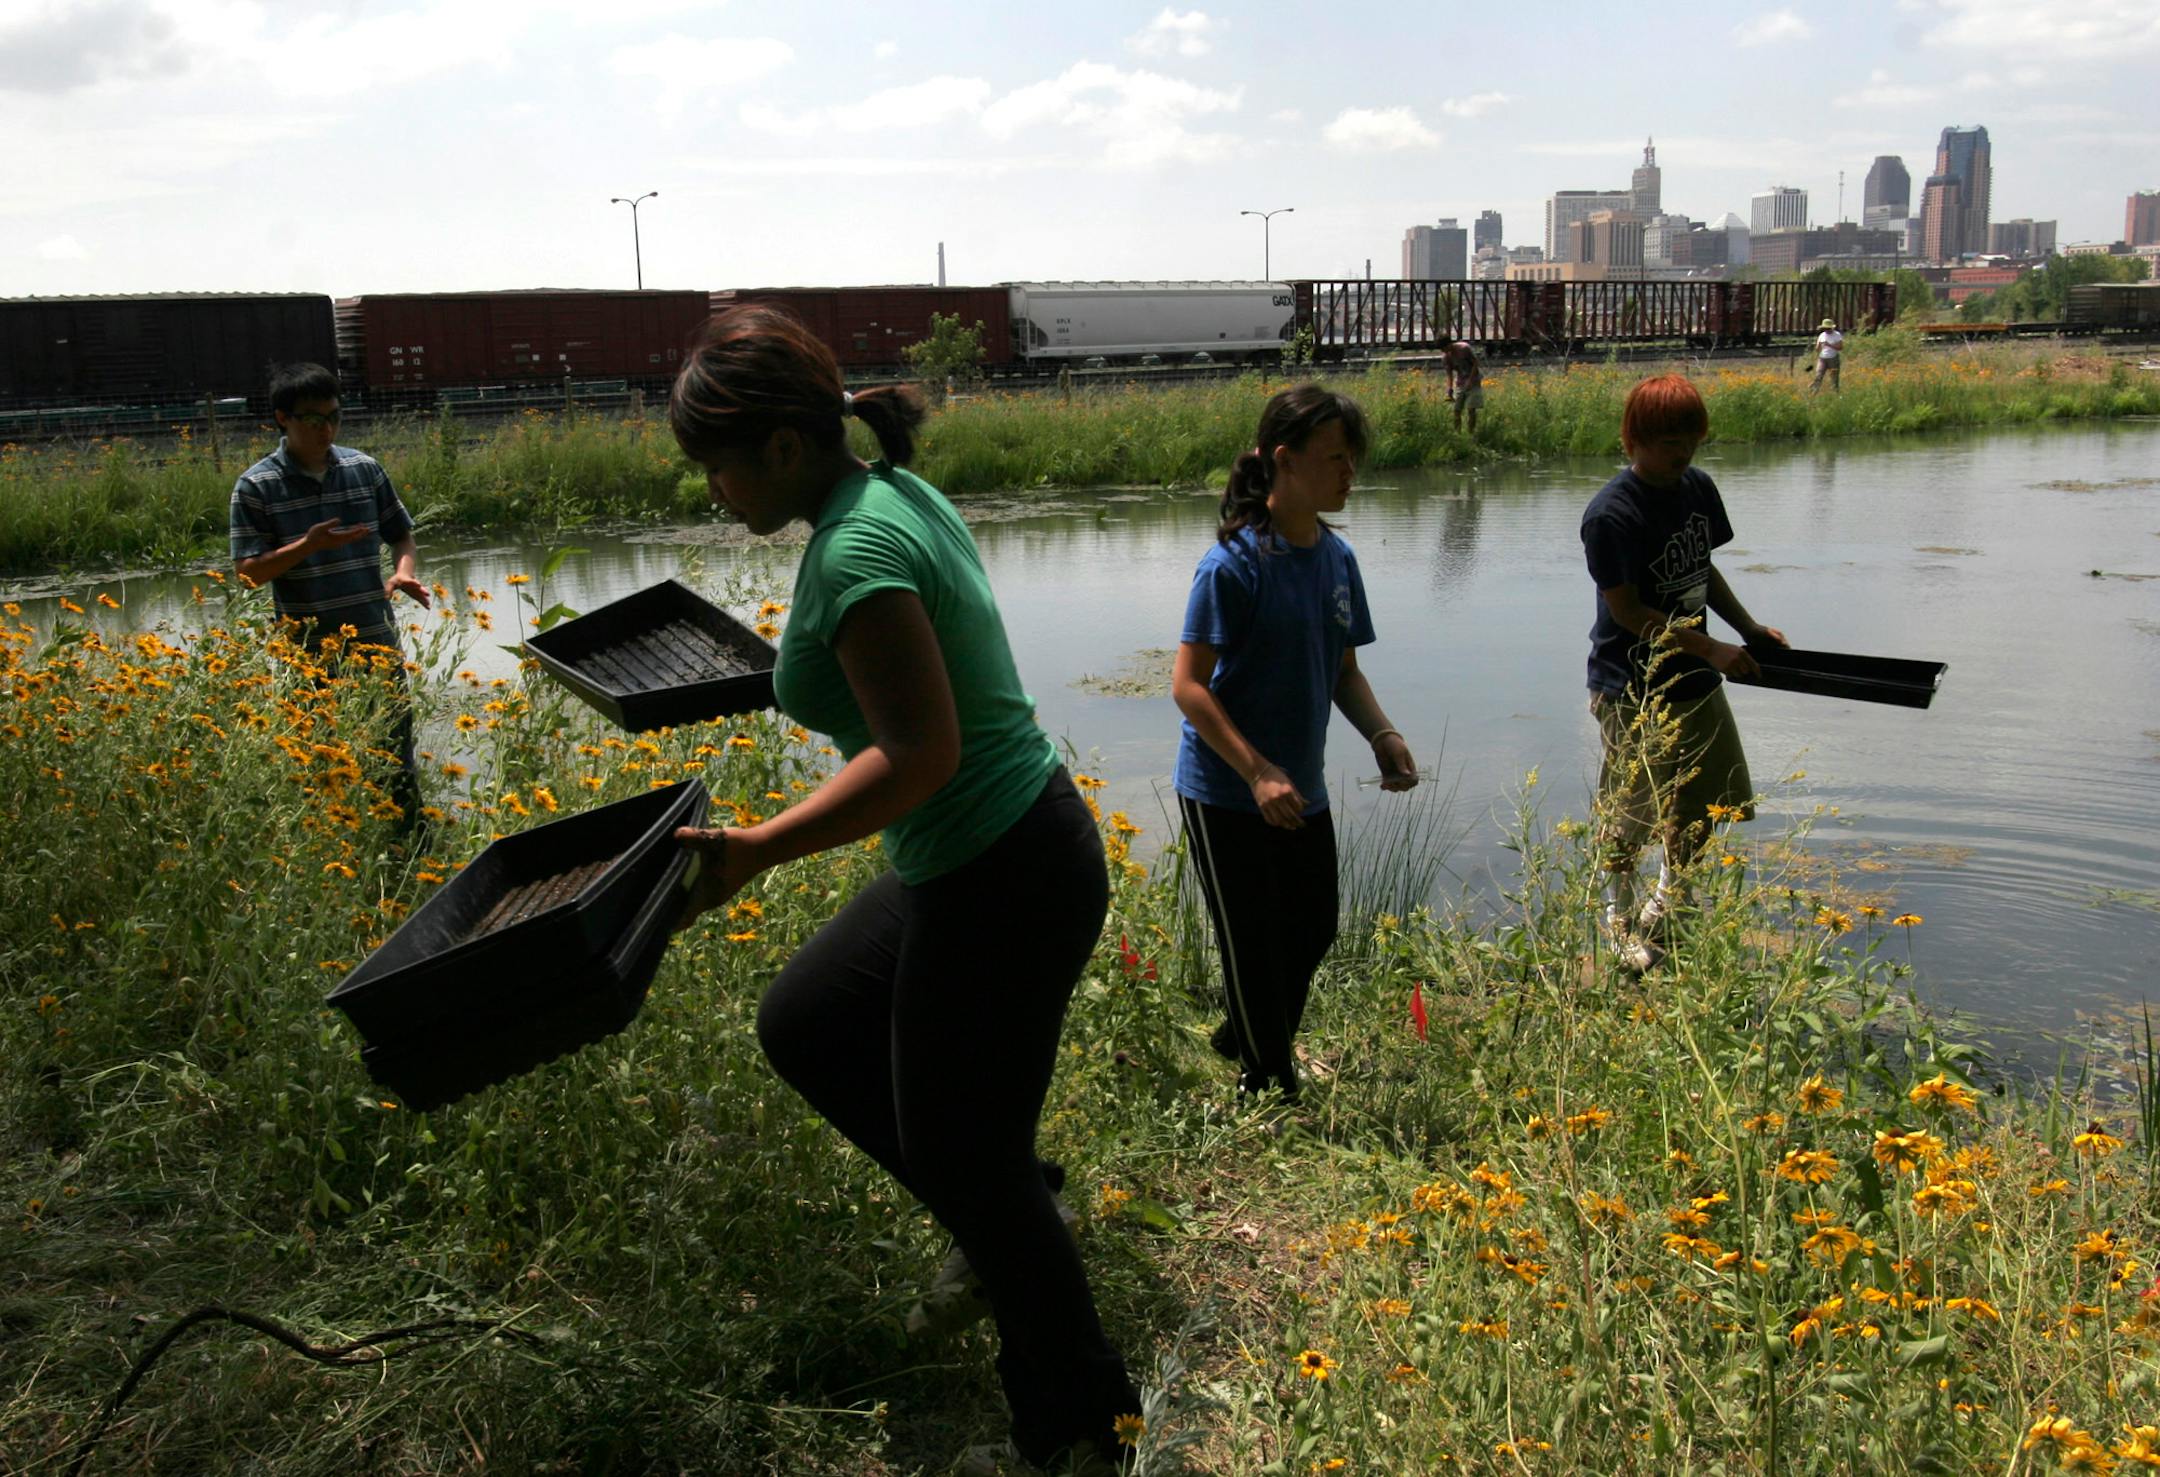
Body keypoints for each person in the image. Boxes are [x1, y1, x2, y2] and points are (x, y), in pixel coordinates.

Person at [665, 307, 1139, 1473]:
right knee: (811, 1022)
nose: (710, 488)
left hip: (1004, 868)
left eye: (716, 463)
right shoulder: (884, 493)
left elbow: (920, 753)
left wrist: (759, 848)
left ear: (781, 449)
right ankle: (1010, 1212)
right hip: (988, 851)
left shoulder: (857, 548)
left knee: (971, 1162)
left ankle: (1080, 1430)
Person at [1171, 385, 1418, 1103]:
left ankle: (1243, 1033)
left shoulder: (1337, 560)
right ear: (1285, 460)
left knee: (1313, 928)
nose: (1350, 474)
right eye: (1336, 458)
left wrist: (1382, 733)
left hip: (1297, 786)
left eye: (1352, 459)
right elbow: (1189, 685)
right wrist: (1255, 771)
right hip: (1227, 791)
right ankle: (1267, 1083)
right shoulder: (1234, 566)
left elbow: (1342, 668)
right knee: (1252, 944)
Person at [1581, 374, 1787, 972]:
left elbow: (1703, 569)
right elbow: (1627, 613)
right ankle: (1617, 921)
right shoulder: (1611, 515)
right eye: (1670, 441)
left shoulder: (1697, 488)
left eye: (1691, 440)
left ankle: (1667, 903)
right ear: (1635, 439)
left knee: (1702, 804)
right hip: (1633, 684)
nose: (1683, 453)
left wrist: (1747, 628)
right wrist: (1711, 648)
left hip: (1696, 676)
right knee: (1630, 812)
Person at [230, 362, 429, 821]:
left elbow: (401, 535)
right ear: (283, 418)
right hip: (310, 656)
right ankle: (342, 865)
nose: (327, 429)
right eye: (314, 419)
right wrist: (308, 545)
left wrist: (402, 572)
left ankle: (412, 861)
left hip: (377, 645)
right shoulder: (256, 486)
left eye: (334, 417)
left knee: (396, 766)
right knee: (323, 772)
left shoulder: (364, 469)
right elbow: (247, 575)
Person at [1442, 339, 1485, 432]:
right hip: (1460, 383)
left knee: (1471, 409)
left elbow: (1475, 363)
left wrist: (1470, 380)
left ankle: (1471, 434)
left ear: (1449, 344)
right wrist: (1449, 389)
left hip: (1474, 382)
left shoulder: (1464, 348)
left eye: (1445, 348)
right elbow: (1449, 375)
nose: (1444, 351)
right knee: (1456, 410)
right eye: (1442, 350)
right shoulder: (1446, 357)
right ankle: (1458, 435)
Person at [1809, 317, 1845, 395]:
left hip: (1833, 359)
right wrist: (1818, 348)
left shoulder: (1837, 335)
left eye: (1828, 328)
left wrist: (1829, 345)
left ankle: (1836, 393)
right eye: (1825, 329)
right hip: (1822, 358)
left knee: (1834, 377)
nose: (1827, 330)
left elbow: (1841, 347)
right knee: (1819, 375)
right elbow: (1817, 348)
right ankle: (1814, 393)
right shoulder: (1821, 335)